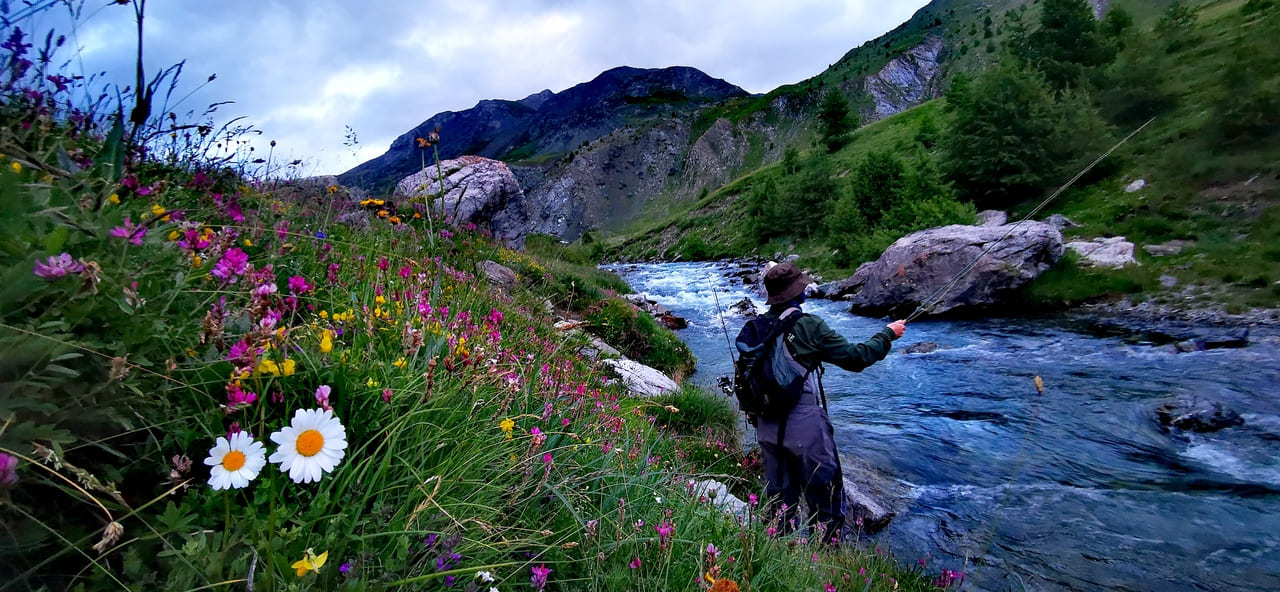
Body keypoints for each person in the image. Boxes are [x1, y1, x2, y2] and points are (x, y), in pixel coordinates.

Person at [753, 262, 905, 543]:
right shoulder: (809, 325)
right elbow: (855, 358)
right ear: (797, 293)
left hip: (766, 427)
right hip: (804, 427)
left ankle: (780, 560)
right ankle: (824, 565)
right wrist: (887, 334)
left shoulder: (756, 326)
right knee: (827, 501)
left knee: (779, 504)